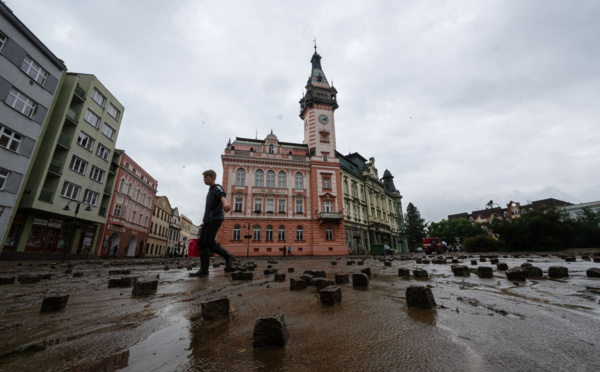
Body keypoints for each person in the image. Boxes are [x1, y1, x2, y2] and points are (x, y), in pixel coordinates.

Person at [195, 170, 235, 276]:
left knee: (207, 241)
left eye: (206, 177)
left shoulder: (217, 187)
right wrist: (205, 222)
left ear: (212, 177)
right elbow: (209, 208)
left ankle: (227, 256)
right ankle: (204, 270)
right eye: (204, 177)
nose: (204, 179)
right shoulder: (210, 190)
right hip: (209, 220)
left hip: (216, 219)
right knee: (201, 244)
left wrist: (226, 204)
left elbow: (222, 196)